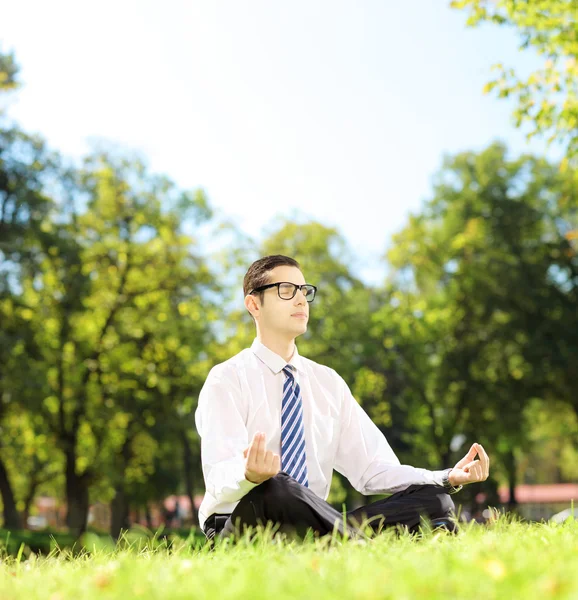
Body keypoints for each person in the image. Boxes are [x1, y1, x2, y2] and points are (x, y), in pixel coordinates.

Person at [195, 255, 490, 541]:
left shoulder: (328, 382)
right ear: (253, 304)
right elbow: (218, 475)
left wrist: (446, 478)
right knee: (277, 488)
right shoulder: (227, 379)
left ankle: (341, 541)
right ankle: (356, 544)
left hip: (313, 521)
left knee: (436, 501)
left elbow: (372, 469)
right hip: (239, 521)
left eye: (304, 290)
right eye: (286, 290)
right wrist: (248, 475)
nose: (300, 299)